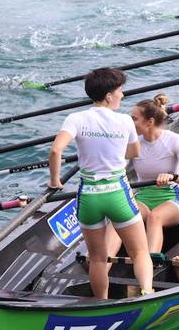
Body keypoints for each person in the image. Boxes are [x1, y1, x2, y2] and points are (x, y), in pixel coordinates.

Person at [48, 67, 152, 299]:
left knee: (97, 258)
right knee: (140, 252)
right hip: (117, 193)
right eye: (120, 91)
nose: (122, 95)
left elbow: (56, 150)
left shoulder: (76, 118)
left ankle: (101, 302)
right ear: (108, 96)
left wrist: (55, 180)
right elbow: (134, 152)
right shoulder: (125, 121)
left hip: (89, 196)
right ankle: (147, 292)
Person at [123, 94, 179, 255]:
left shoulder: (174, 140)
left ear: (149, 122)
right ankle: (101, 260)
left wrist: (173, 177)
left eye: (134, 119)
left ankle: (150, 261)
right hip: (143, 197)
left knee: (154, 217)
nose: (130, 122)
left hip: (171, 197)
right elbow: (118, 168)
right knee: (122, 215)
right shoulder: (134, 143)